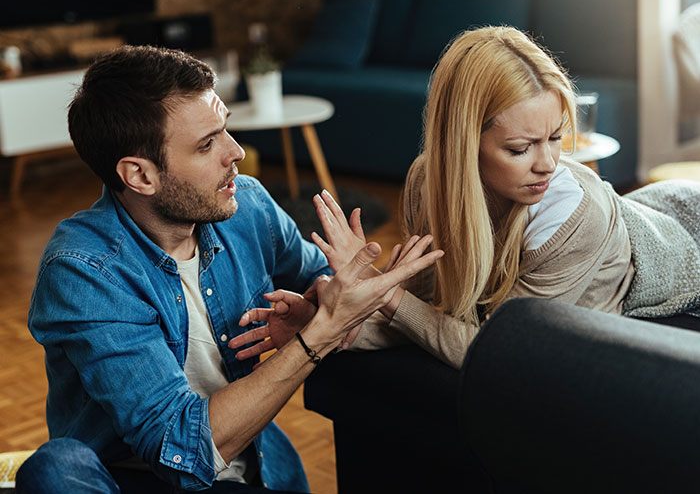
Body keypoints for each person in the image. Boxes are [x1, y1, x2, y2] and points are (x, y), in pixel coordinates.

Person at [16, 45, 443, 493]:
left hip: (245, 470)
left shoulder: (248, 205)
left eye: (225, 130)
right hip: (132, 477)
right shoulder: (84, 270)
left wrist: (339, 294)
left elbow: (327, 286)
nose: (236, 152)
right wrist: (319, 334)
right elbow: (181, 448)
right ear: (140, 176)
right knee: (53, 469)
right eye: (207, 144)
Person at [300, 26, 700, 370]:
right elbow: (426, 309)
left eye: (556, 138)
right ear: (464, 144)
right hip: (652, 208)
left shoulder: (573, 218)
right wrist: (325, 326)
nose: (547, 163)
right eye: (520, 148)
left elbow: (497, 348)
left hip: (684, 237)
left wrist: (383, 289)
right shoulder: (428, 181)